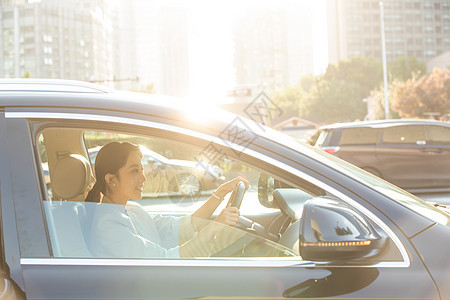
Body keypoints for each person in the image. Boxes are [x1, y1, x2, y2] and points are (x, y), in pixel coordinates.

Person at [86, 141, 250, 258]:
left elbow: (183, 226)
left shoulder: (132, 209)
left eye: (142, 169)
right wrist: (214, 228)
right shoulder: (108, 228)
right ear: (111, 179)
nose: (143, 177)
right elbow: (166, 261)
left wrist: (221, 192)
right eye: (135, 171)